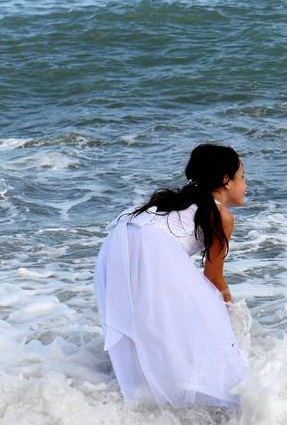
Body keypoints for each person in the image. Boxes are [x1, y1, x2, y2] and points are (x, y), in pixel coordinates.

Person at [94, 144, 248, 407]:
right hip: (150, 250)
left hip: (118, 248)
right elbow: (213, 276)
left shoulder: (174, 201)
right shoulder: (222, 216)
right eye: (242, 177)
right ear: (226, 181)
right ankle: (188, 395)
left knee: (150, 321)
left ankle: (140, 392)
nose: (245, 185)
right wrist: (231, 311)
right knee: (197, 319)